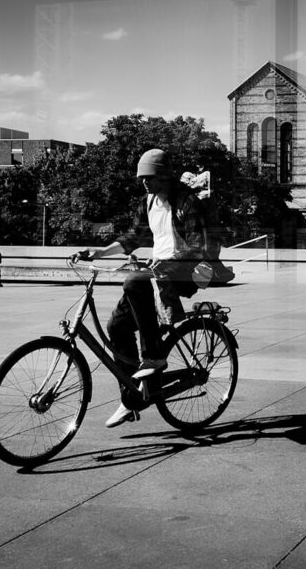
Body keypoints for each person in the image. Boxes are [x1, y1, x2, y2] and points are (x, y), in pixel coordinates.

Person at [76, 148, 206, 428]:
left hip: (181, 271)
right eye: (142, 178)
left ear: (163, 175)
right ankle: (132, 397)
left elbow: (197, 247)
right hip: (156, 269)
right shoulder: (148, 202)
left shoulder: (186, 201)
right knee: (116, 328)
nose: (144, 182)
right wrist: (98, 252)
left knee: (134, 281)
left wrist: (165, 259)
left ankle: (154, 357)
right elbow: (133, 238)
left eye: (149, 177)